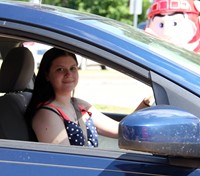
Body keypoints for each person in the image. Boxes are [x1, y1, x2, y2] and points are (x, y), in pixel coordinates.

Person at [26, 47, 153, 147]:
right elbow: (64, 162)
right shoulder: (46, 114)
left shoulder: (79, 105)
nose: (68, 74)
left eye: (73, 68)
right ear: (47, 75)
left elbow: (119, 130)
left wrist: (147, 102)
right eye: (60, 69)